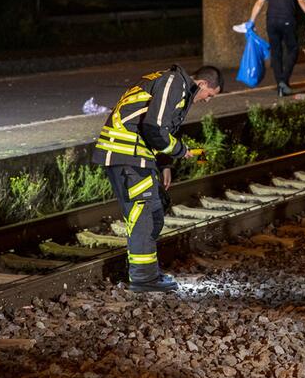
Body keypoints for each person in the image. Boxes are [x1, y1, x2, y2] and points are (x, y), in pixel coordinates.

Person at [91, 65, 222, 292]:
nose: (207, 100)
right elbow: (154, 127)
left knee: (154, 213)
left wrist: (165, 165)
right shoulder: (175, 83)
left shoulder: (174, 86)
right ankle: (143, 279)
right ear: (201, 84)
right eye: (209, 95)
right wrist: (180, 150)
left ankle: (145, 272)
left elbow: (159, 128)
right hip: (127, 154)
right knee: (144, 216)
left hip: (135, 155)